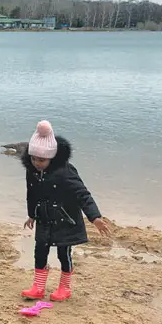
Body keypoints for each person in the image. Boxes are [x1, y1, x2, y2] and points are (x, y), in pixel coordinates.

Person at [21, 120, 111, 301]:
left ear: (51, 157)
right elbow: (32, 194)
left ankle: (65, 287)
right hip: (44, 219)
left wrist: (95, 217)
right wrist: (32, 214)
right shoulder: (32, 171)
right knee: (40, 251)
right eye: (33, 158)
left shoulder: (65, 172)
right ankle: (38, 286)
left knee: (64, 254)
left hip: (65, 219)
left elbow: (82, 194)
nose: (37, 163)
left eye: (42, 160)